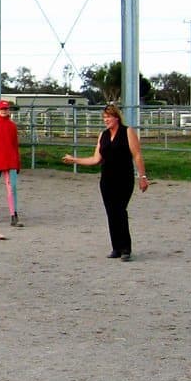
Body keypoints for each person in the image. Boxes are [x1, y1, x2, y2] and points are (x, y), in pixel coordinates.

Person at [62, 103, 150, 262]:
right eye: (104, 117)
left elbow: (137, 155)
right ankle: (116, 247)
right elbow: (96, 159)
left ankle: (126, 248)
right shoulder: (102, 136)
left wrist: (142, 177)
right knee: (111, 212)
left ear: (116, 117)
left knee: (120, 210)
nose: (106, 120)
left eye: (109, 117)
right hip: (107, 180)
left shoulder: (127, 132)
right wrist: (75, 160)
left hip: (124, 178)